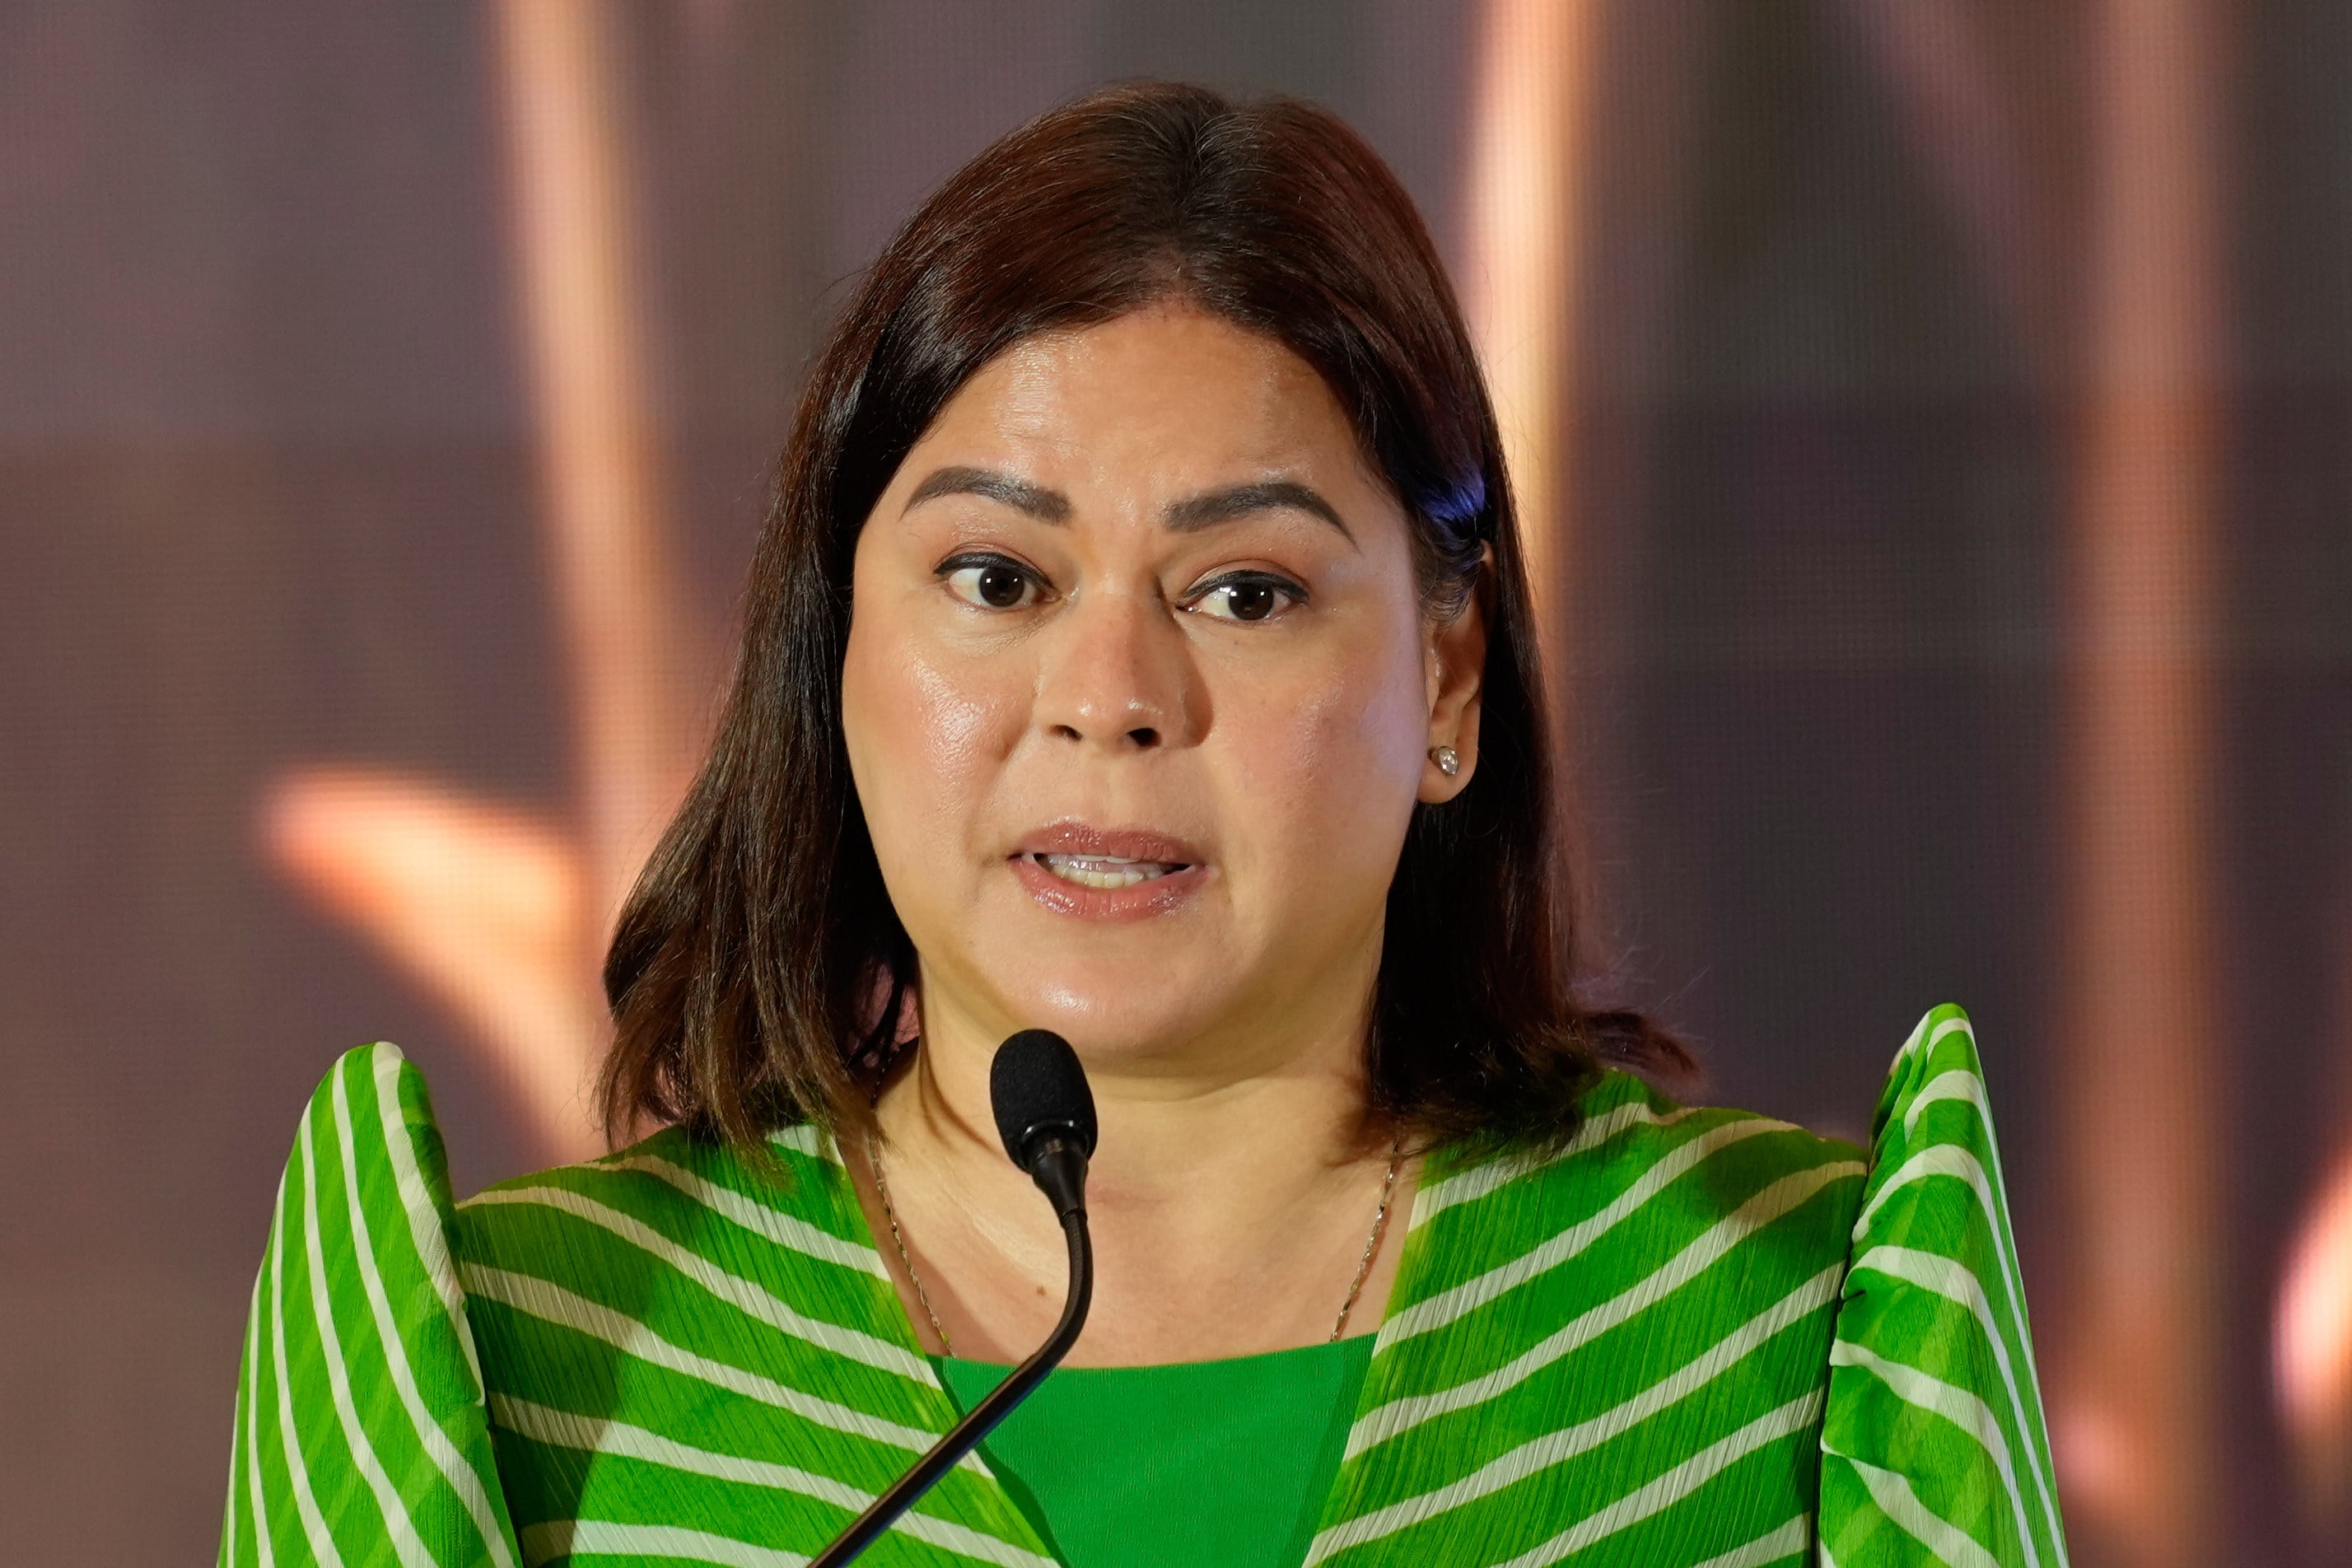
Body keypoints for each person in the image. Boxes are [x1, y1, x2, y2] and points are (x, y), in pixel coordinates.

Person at [219, 82, 2066, 1568]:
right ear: (834, 650)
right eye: (997, 579)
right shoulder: (524, 1361)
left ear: (1446, 679)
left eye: (1245, 591)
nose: (1109, 693)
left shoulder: (1787, 1324)